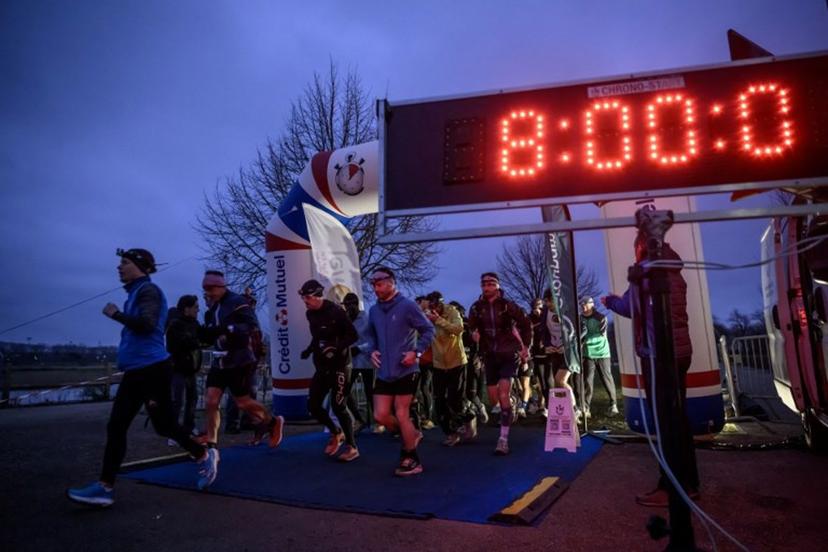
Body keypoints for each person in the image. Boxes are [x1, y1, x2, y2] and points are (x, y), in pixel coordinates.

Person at [67, 249, 218, 507]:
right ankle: (104, 487)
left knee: (164, 426)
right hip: (136, 370)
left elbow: (147, 324)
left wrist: (116, 314)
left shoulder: (149, 291)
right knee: (118, 426)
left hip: (152, 370)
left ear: (141, 266)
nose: (119, 267)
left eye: (124, 263)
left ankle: (204, 453)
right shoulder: (136, 293)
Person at [602, 231, 699, 508]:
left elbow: (631, 306)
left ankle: (672, 487)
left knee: (666, 423)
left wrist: (610, 301)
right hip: (680, 351)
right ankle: (689, 484)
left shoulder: (646, 272)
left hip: (659, 356)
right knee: (678, 421)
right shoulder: (673, 269)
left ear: (642, 246)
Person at [201, 270, 283, 451]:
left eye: (211, 288)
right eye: (205, 289)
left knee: (242, 402)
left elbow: (251, 325)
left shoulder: (237, 302)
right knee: (211, 400)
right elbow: (210, 335)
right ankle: (211, 444)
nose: (208, 293)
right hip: (219, 360)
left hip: (238, 360)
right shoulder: (212, 310)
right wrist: (201, 336)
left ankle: (273, 422)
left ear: (222, 287)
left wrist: (228, 329)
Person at [365, 267, 435, 476]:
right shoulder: (374, 311)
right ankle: (411, 435)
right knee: (380, 415)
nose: (375, 288)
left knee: (402, 412)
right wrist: (372, 351)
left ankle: (412, 457)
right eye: (373, 284)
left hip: (406, 368)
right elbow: (370, 336)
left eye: (379, 284)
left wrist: (416, 353)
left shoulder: (407, 306)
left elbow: (428, 330)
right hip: (385, 371)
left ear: (391, 282)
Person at [468, 272, 532, 455]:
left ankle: (503, 439)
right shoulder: (476, 307)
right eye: (484, 285)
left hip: (508, 353)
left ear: (497, 286)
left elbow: (526, 324)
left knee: (503, 394)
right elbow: (471, 325)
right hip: (489, 354)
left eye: (490, 284)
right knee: (494, 398)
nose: (486, 287)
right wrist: (474, 332)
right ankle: (510, 401)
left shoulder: (507, 306)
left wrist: (526, 346)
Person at [299, 279, 360, 462]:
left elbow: (353, 336)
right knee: (313, 406)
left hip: (341, 366)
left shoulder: (336, 312)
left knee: (338, 405)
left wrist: (336, 348)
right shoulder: (310, 314)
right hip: (322, 366)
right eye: (303, 297)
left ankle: (352, 447)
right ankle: (336, 432)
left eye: (308, 297)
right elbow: (317, 336)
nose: (305, 301)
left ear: (319, 296)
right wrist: (309, 350)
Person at [424, 291, 474, 447]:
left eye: (436, 306)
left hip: (456, 361)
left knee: (455, 399)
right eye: (431, 307)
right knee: (439, 400)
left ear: (441, 304)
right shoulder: (426, 316)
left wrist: (439, 320)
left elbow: (458, 329)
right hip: (438, 363)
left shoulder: (451, 311)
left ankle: (468, 417)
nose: (434, 310)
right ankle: (450, 433)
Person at [343, 292, 383, 433]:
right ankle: (359, 420)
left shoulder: (366, 318)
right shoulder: (346, 319)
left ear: (356, 305)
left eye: (350, 305)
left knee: (370, 392)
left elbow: (373, 340)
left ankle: (378, 422)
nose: (348, 308)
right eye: (346, 305)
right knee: (344, 391)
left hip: (367, 360)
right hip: (350, 362)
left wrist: (359, 348)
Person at [165, 294, 203, 440]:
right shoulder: (175, 324)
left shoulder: (194, 323)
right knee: (177, 400)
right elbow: (177, 345)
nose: (197, 310)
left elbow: (202, 337)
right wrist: (196, 342)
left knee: (192, 398)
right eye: (195, 307)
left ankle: (189, 426)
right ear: (187, 309)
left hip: (190, 370)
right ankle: (173, 432)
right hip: (177, 369)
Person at [537, 289, 577, 418]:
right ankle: (564, 411)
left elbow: (581, 329)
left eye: (550, 301)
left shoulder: (568, 310)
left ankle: (575, 409)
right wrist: (547, 345)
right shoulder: (545, 312)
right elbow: (543, 330)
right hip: (554, 351)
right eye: (546, 301)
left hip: (569, 351)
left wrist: (567, 345)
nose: (548, 303)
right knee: (557, 383)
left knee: (561, 380)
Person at [579, 296, 619, 418]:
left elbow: (600, 335)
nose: (583, 307)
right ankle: (585, 407)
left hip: (602, 353)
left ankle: (613, 404)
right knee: (587, 380)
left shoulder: (601, 318)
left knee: (606, 378)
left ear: (591, 304)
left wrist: (584, 341)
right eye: (581, 305)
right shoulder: (580, 318)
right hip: (587, 354)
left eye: (585, 304)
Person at [451, 300, 487, 424]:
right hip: (456, 362)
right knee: (458, 393)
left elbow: (479, 341)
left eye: (454, 310)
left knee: (472, 391)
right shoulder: (448, 326)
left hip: (472, 361)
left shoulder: (468, 324)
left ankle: (480, 407)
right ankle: (466, 419)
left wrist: (479, 356)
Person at [414, 296, 436, 430]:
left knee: (425, 388)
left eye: (419, 304)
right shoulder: (415, 320)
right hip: (417, 361)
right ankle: (420, 415)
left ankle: (428, 417)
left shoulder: (428, 318)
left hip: (428, 360)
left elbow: (431, 336)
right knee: (416, 389)